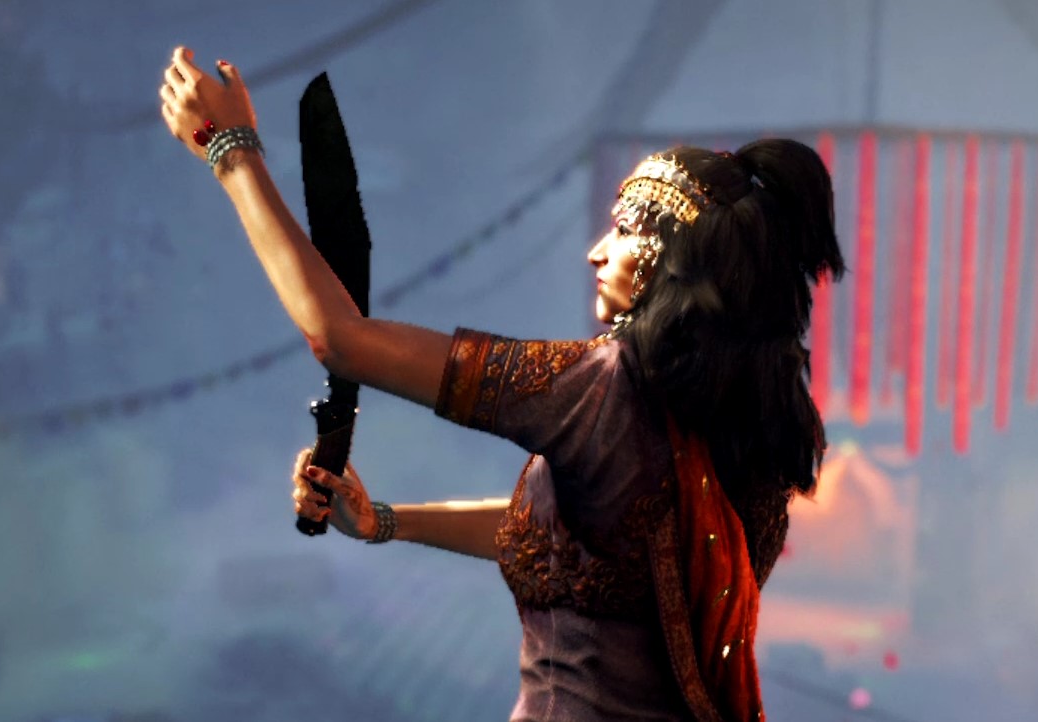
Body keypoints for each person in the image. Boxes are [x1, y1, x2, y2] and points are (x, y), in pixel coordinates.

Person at [160, 46, 845, 722]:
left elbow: (339, 339)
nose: (597, 251)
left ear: (671, 259)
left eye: (623, 230)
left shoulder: (602, 389)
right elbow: (572, 539)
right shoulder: (757, 426)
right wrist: (385, 522)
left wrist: (229, 148)